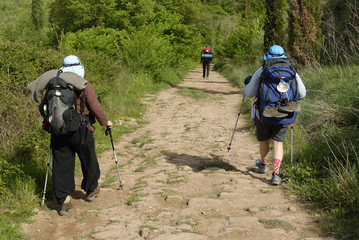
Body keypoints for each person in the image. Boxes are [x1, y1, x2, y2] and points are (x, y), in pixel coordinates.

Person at [40, 55, 113, 215]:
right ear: (79, 67)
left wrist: (50, 121)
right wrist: (105, 122)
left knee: (61, 165)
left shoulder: (53, 85)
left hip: (59, 131)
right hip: (81, 129)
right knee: (88, 158)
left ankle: (63, 201)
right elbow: (95, 107)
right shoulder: (84, 85)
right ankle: (91, 189)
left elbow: (44, 107)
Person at [244, 45, 306, 185]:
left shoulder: (262, 70)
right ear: (284, 56)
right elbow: (302, 93)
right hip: (285, 113)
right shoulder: (292, 71)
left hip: (265, 112)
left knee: (264, 140)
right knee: (278, 143)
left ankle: (263, 164)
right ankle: (276, 174)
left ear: (268, 56)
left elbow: (249, 93)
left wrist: (246, 85)